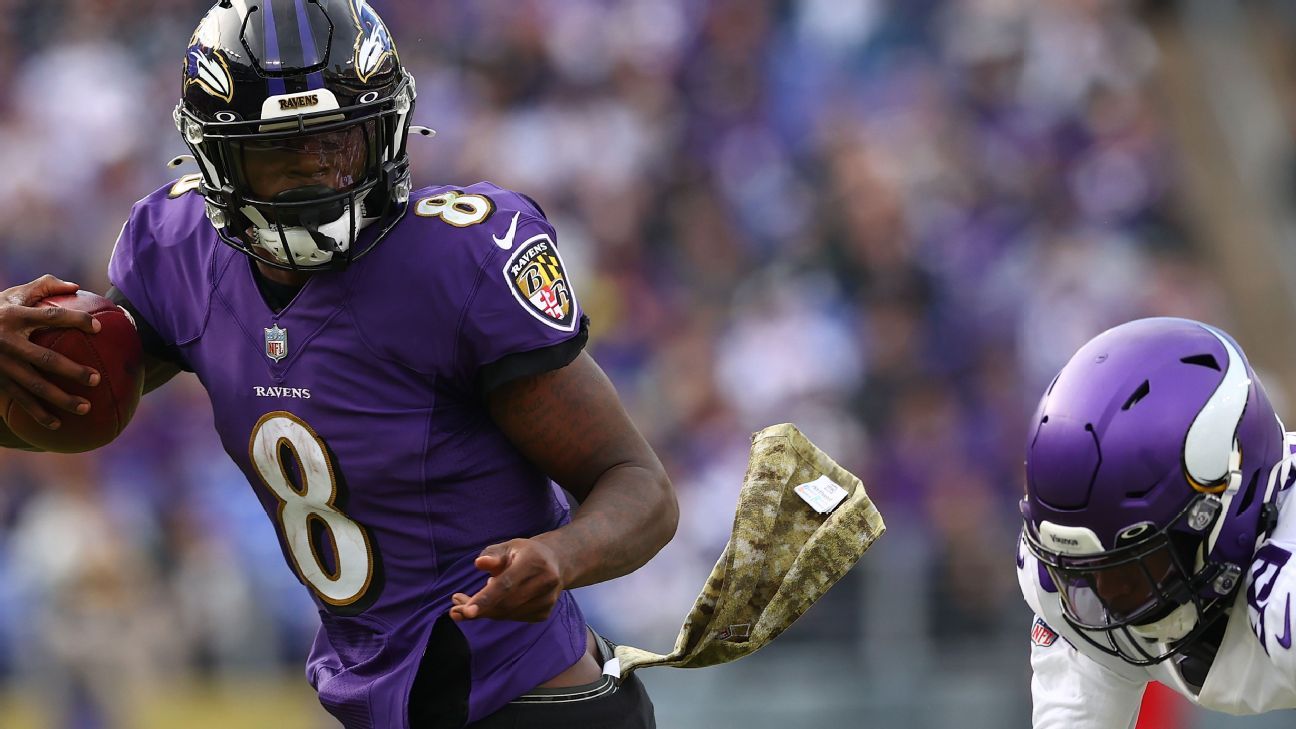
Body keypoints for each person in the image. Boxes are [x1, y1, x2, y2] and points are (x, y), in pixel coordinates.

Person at [0, 1, 677, 727]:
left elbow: (641, 488)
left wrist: (562, 555)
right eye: (279, 151)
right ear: (217, 157)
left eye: (338, 142)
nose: (317, 173)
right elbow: (70, 406)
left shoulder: (457, 262)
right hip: (381, 702)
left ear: (385, 130)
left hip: (532, 701)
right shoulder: (180, 253)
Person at [1017, 316, 1296, 726]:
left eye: (1133, 569)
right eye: (1086, 572)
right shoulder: (1069, 595)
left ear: (1222, 509)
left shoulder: (1285, 592)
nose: (1108, 600)